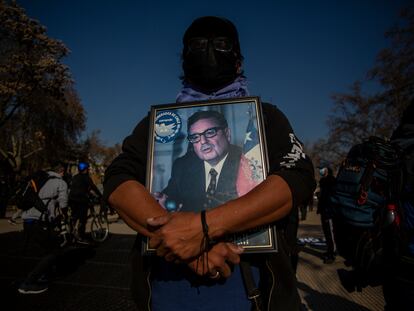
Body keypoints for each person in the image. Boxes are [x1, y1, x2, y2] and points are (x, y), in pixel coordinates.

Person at [104, 16, 315, 310]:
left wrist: (204, 228)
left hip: (252, 287)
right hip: (169, 289)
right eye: (198, 45)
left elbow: (298, 177)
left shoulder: (266, 119)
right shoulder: (160, 129)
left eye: (221, 44)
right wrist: (180, 241)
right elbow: (118, 178)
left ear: (238, 61)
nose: (209, 51)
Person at [155, 110, 253, 213]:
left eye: (210, 132)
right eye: (195, 137)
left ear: (227, 134)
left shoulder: (249, 163)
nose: (203, 141)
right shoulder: (183, 165)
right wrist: (162, 201)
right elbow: (170, 195)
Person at [18, 163, 69, 294]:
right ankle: (28, 283)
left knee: (44, 250)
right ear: (62, 171)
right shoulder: (60, 182)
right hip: (40, 221)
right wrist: (65, 216)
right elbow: (64, 204)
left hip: (28, 219)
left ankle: (43, 274)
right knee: (54, 251)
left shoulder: (40, 179)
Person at [68, 162, 102, 242]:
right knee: (83, 219)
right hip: (81, 200)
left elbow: (79, 188)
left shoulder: (75, 177)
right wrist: (100, 196)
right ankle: (81, 236)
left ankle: (71, 234)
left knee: (75, 217)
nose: (88, 170)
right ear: (85, 169)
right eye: (88, 169)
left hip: (72, 200)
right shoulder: (86, 177)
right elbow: (93, 187)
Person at [316, 166, 337, 264]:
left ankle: (332, 254)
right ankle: (329, 251)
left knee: (330, 233)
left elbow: (331, 196)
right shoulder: (323, 181)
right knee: (327, 233)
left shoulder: (331, 180)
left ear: (327, 170)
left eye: (322, 169)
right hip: (324, 210)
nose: (320, 171)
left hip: (329, 211)